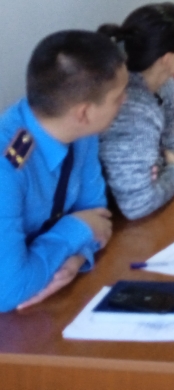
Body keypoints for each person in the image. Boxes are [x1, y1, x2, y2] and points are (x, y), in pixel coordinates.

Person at [0, 31, 127, 312]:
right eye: (118, 96)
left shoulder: (82, 132)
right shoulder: (6, 165)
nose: (125, 101)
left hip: (45, 302)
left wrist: (78, 259)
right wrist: (75, 230)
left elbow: (98, 217)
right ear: (84, 113)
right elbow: (8, 290)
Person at [97, 4, 174, 220]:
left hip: (138, 195)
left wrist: (164, 165)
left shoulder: (165, 83)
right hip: (115, 217)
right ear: (166, 59)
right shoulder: (133, 110)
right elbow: (137, 205)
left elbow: (171, 148)